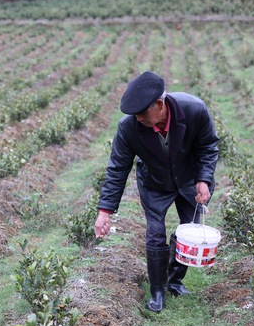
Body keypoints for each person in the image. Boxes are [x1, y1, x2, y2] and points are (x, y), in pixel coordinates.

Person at [94, 71, 219, 313]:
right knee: (155, 232)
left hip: (189, 179)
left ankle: (174, 280)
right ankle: (158, 290)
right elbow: (117, 169)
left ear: (159, 105)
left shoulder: (194, 110)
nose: (137, 118)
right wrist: (104, 211)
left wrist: (203, 179)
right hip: (154, 182)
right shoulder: (129, 128)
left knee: (189, 230)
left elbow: (208, 146)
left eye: (142, 114)